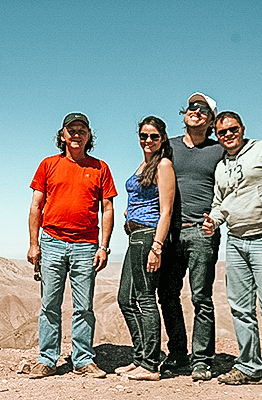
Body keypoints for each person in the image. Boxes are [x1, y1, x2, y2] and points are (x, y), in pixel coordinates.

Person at [203, 111, 262, 394]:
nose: (228, 135)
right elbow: (221, 202)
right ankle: (250, 367)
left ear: (242, 128)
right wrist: (213, 220)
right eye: (222, 132)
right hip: (235, 241)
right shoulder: (221, 166)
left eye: (233, 129)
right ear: (217, 136)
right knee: (241, 308)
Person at [27, 112, 117, 379]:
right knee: (49, 304)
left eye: (82, 130)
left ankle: (83, 359)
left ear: (89, 136)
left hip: (86, 246)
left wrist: (104, 247)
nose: (76, 135)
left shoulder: (100, 168)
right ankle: (47, 358)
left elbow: (108, 208)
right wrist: (34, 244)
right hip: (52, 242)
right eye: (71, 130)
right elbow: (35, 206)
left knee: (84, 306)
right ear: (62, 135)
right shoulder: (48, 164)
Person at [158, 92, 224, 381]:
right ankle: (177, 353)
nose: (194, 111)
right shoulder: (167, 146)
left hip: (202, 232)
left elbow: (234, 185)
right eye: (191, 106)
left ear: (211, 120)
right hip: (170, 232)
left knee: (201, 297)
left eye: (202, 109)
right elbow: (150, 177)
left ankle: (202, 359)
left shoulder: (219, 150)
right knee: (167, 294)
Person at [115, 116, 175, 381]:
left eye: (153, 136)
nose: (147, 140)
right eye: (143, 135)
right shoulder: (144, 164)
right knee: (125, 299)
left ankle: (150, 365)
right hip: (135, 236)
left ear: (162, 138)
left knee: (146, 298)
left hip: (149, 237)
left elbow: (167, 211)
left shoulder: (163, 165)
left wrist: (157, 247)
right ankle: (140, 357)